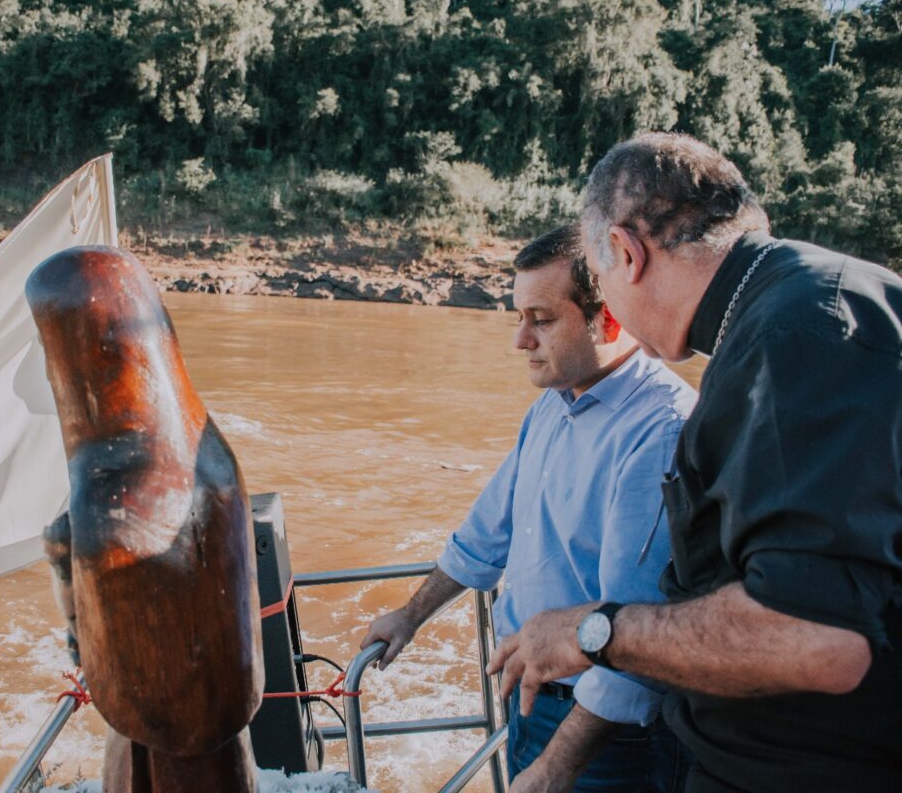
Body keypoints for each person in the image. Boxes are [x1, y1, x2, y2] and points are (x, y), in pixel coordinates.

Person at [488, 132, 902, 792]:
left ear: (625, 253)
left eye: (598, 282)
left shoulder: (799, 332)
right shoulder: (791, 307)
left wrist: (594, 630)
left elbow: (821, 640)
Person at [360, 224, 697, 791]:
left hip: (603, 733)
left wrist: (552, 770)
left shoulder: (661, 431)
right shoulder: (551, 405)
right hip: (526, 696)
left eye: (541, 320)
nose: (521, 341)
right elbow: (486, 533)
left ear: (608, 318)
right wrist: (409, 617)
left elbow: (638, 642)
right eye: (519, 318)